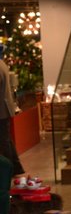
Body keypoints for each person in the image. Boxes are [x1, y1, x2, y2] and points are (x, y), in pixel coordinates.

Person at [0, 45, 25, 183]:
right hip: (4, 108)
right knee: (6, 140)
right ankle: (15, 168)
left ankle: (8, 170)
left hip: (1, 110)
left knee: (4, 142)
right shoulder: (2, 64)